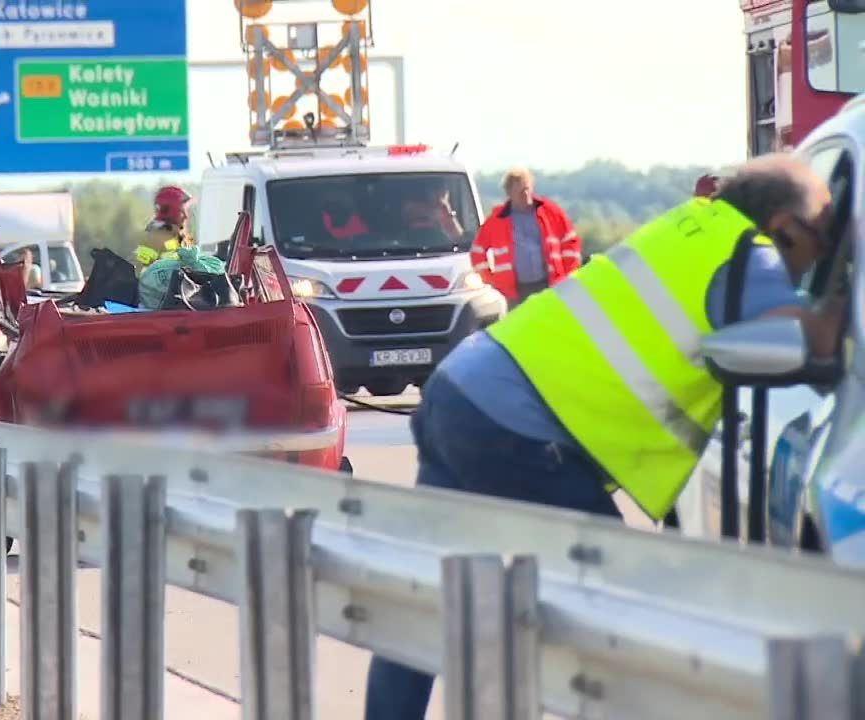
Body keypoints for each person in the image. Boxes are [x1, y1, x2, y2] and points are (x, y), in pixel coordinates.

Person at [362, 152, 844, 719]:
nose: (819, 258)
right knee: (613, 602)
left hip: (463, 389)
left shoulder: (692, 224)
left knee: (428, 599)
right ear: (785, 227)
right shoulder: (749, 255)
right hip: (517, 423)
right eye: (822, 239)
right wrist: (850, 270)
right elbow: (815, 339)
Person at [471, 168, 582, 307]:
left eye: (527, 189)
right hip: (515, 292)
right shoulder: (497, 220)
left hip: (549, 284)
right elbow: (477, 251)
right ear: (509, 194)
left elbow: (570, 240)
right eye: (520, 192)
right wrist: (491, 280)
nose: (525, 195)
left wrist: (568, 273)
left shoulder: (550, 211)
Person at [137, 186, 195, 270]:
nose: (186, 216)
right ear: (172, 211)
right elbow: (139, 271)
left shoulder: (181, 238)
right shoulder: (154, 239)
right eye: (182, 211)